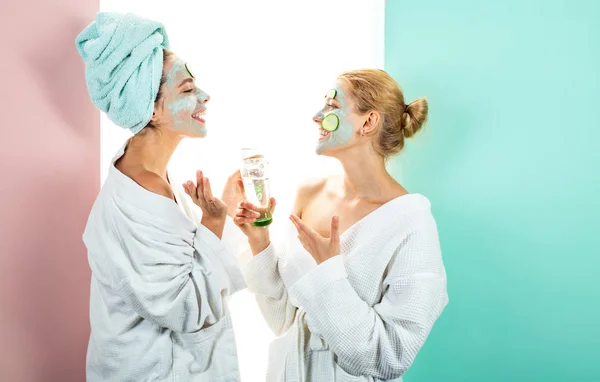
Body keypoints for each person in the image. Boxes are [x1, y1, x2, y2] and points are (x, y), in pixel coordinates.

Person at [235, 69, 449, 381]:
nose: (317, 116)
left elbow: (389, 357)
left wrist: (330, 271)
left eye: (332, 106)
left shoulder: (411, 223)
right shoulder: (309, 194)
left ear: (368, 122)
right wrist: (258, 240)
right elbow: (283, 319)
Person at [77, 13, 243, 381]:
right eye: (186, 90)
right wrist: (215, 223)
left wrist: (225, 208)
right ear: (149, 109)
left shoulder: (145, 175)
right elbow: (182, 308)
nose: (204, 96)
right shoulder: (143, 190)